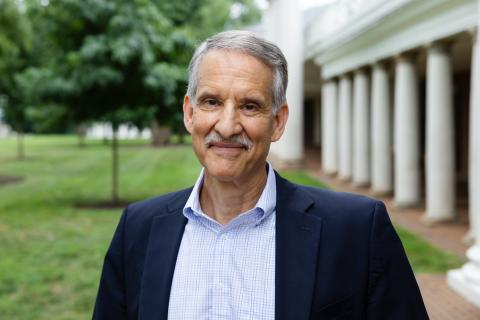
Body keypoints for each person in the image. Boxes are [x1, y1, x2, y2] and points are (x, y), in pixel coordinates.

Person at [93, 30, 429, 320]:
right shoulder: (137, 229)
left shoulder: (356, 231)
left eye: (249, 106)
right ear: (189, 113)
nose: (226, 126)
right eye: (211, 101)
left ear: (278, 121)